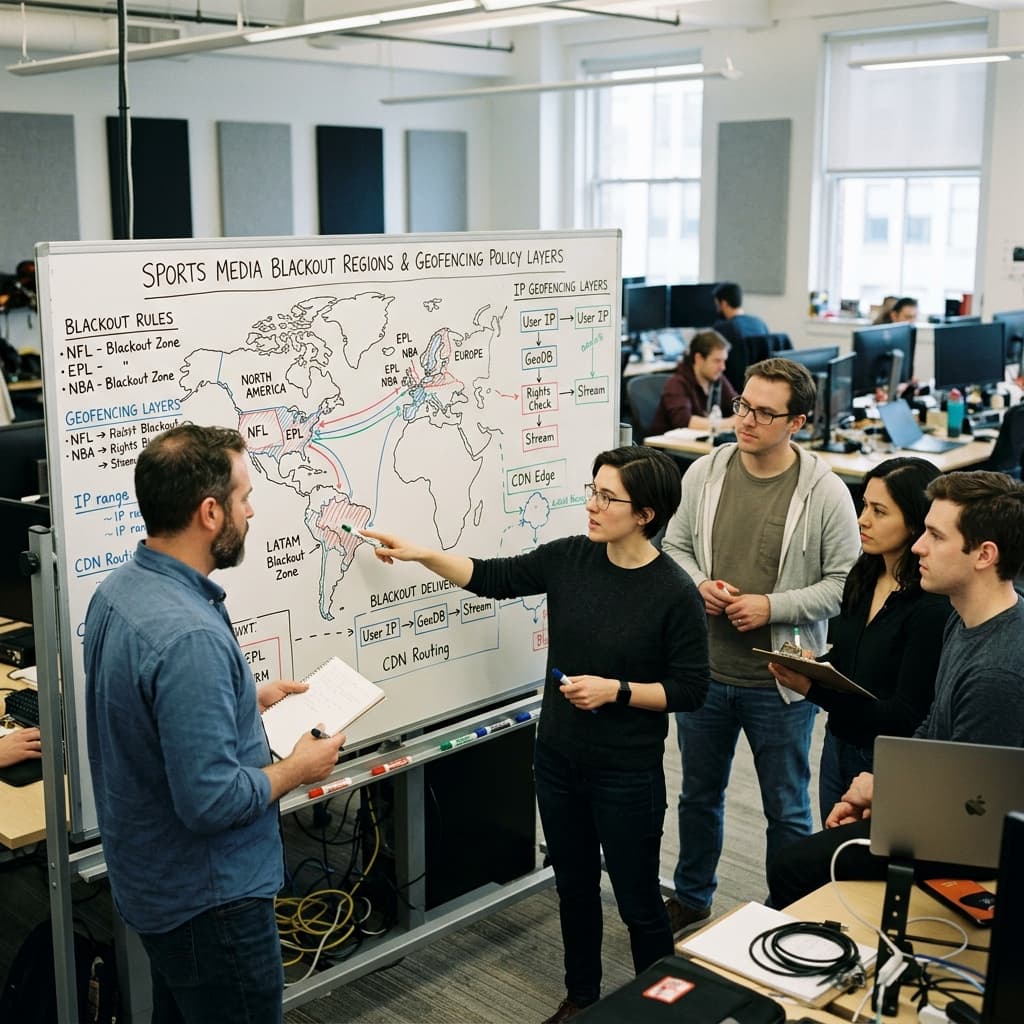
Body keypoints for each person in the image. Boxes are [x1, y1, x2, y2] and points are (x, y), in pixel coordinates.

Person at [363, 446, 709, 1024]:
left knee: (639, 902)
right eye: (591, 490)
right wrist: (424, 554)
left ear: (646, 513)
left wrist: (616, 690)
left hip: (626, 772)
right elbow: (493, 577)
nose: (591, 505)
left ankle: (662, 1012)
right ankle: (581, 998)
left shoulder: (673, 590)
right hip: (558, 760)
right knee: (573, 887)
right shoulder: (572, 557)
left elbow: (691, 689)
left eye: (607, 497)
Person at [84, 424, 345, 1024]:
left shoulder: (119, 591)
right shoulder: (190, 637)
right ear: (209, 512)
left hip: (156, 887)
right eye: (244, 497)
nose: (251, 511)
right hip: (211, 901)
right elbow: (210, 801)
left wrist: (240, 700)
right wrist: (298, 769)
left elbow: (144, 714)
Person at [661, 357, 860, 931]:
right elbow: (673, 546)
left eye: (764, 413)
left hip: (782, 682)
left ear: (797, 422)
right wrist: (699, 583)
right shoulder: (708, 470)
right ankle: (693, 895)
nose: (745, 421)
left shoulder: (823, 492)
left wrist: (772, 607)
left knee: (787, 809)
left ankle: (789, 912)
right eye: (742, 405)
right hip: (705, 672)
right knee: (698, 796)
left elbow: (845, 585)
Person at [768, 470, 1024, 909]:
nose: (919, 546)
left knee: (793, 867)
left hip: (965, 845)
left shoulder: (995, 675)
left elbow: (969, 810)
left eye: (935, 536)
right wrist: (883, 787)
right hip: (935, 808)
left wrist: (884, 798)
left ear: (984, 554)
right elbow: (933, 730)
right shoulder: (962, 621)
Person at [768, 457, 951, 823]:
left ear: (916, 521)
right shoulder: (863, 573)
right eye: (864, 504)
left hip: (885, 761)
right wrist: (814, 666)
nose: (862, 519)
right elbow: (850, 667)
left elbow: (903, 715)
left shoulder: (932, 604)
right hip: (838, 741)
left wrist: (812, 688)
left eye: (879, 511)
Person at [648, 330, 739, 436]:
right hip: (671, 449)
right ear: (699, 358)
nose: (722, 367)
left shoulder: (718, 379)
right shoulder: (677, 383)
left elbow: (738, 406)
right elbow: (684, 421)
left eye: (724, 361)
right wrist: (730, 422)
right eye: (717, 361)